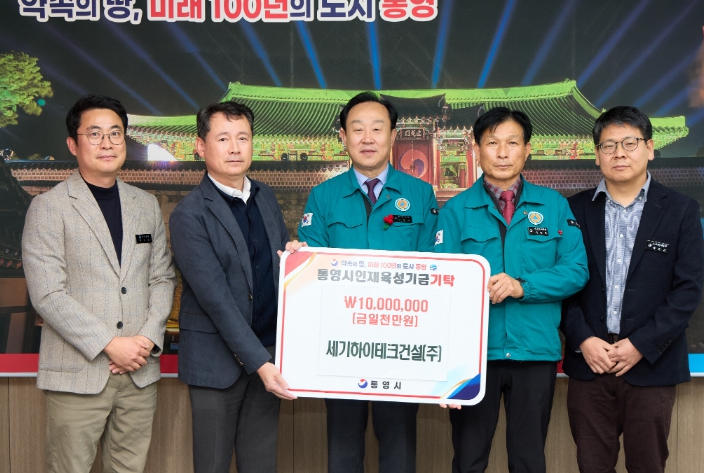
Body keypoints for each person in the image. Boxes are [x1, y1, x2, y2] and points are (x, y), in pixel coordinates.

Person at [22, 94, 176, 472]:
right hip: (78, 373)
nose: (107, 143)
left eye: (115, 133)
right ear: (73, 144)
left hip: (139, 373)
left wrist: (146, 339)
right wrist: (110, 344)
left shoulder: (146, 205)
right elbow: (48, 294)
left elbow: (162, 277)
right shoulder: (48, 207)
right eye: (95, 134)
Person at [435, 107, 588, 473]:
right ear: (476, 149)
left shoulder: (554, 205)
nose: (502, 153)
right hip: (474, 357)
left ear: (527, 149)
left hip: (534, 352)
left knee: (529, 460)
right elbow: (441, 280)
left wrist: (524, 286)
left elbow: (576, 270)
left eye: (512, 143)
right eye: (492, 143)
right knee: (468, 459)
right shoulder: (455, 210)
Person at [298, 91, 439, 473]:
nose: (367, 138)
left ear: (392, 135)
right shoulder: (323, 196)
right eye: (357, 129)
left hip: (401, 344)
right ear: (343, 137)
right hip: (341, 346)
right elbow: (311, 269)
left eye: (377, 128)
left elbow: (434, 266)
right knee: (343, 450)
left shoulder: (419, 193)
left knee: (399, 449)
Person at [561, 106, 704, 472]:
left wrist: (640, 344)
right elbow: (561, 283)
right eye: (608, 145)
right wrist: (583, 339)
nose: (619, 153)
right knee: (592, 465)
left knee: (647, 465)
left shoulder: (681, 210)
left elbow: (687, 291)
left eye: (630, 143)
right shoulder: (572, 210)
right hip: (590, 364)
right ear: (596, 155)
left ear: (650, 148)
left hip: (652, 365)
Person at [169, 101, 298, 473]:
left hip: (269, 353)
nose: (235, 148)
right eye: (223, 138)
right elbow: (216, 300)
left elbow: (276, 269)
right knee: (212, 464)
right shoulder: (189, 214)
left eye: (243, 138)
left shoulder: (266, 196)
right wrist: (260, 363)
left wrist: (295, 259)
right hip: (218, 362)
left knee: (261, 463)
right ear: (201, 146)